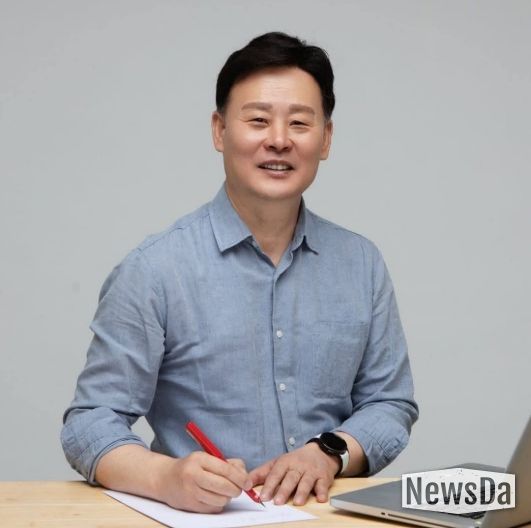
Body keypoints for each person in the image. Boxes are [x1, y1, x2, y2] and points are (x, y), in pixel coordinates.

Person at [61, 31, 418, 514]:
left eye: (299, 122)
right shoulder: (155, 269)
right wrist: (165, 477)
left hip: (327, 517)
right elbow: (89, 423)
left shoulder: (361, 263)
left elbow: (390, 403)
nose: (279, 140)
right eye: (258, 120)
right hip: (206, 518)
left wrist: (328, 452)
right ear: (219, 130)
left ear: (326, 139)